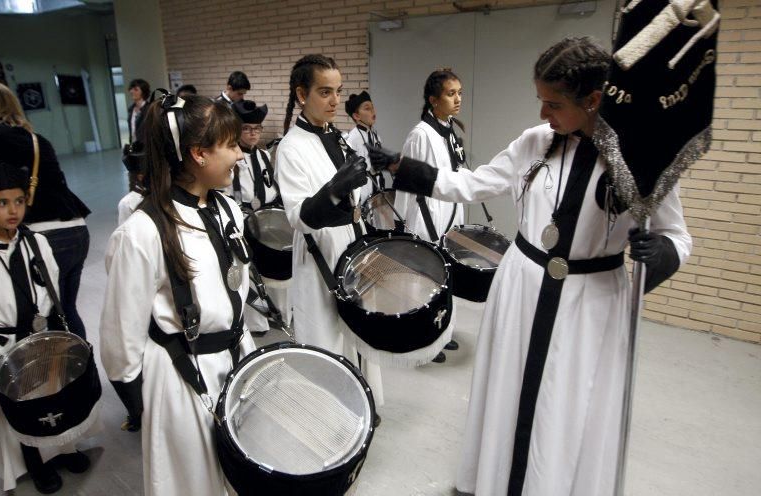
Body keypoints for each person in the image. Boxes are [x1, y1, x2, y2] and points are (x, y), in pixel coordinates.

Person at [368, 36, 692, 495]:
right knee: (509, 392)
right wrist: (406, 168)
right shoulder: (534, 142)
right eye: (540, 101)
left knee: (566, 401)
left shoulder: (641, 159)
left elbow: (678, 234)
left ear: (594, 100)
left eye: (553, 104)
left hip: (590, 300)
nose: (543, 114)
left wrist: (664, 254)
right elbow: (474, 183)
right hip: (522, 284)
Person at [100, 92, 255, 496]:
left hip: (237, 360)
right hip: (183, 377)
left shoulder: (228, 211)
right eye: (231, 145)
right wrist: (144, 402)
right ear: (199, 153)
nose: (240, 155)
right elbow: (121, 334)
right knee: (194, 481)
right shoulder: (142, 231)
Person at [0, 149, 94, 494]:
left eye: (18, 201)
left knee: (54, 397)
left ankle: (63, 448)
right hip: (3, 345)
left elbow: (51, 289)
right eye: (1, 203)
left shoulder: (37, 242)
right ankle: (33, 463)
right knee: (17, 408)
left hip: (43, 339)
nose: (13, 210)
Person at [275, 54, 383, 421]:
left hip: (352, 246)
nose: (336, 101)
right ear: (301, 94)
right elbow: (298, 217)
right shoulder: (291, 147)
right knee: (328, 340)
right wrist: (333, 191)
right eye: (325, 92)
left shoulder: (333, 136)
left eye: (338, 91)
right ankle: (333, 416)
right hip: (320, 254)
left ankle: (361, 402)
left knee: (357, 332)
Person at [0, 81, 92, 338]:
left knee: (36, 318)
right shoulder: (36, 139)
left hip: (37, 234)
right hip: (74, 228)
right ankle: (83, 372)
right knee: (66, 311)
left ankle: (51, 376)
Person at [394, 69, 468, 363]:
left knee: (446, 278)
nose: (458, 99)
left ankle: (443, 332)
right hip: (427, 217)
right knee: (424, 282)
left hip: (449, 213)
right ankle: (424, 341)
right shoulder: (420, 135)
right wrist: (405, 224)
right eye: (451, 94)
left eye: (460, 93)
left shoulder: (450, 130)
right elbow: (406, 181)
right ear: (433, 99)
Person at [231, 99, 289, 337]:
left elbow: (272, 184)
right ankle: (257, 322)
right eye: (247, 128)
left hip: (268, 217)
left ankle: (281, 313)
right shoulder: (233, 157)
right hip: (243, 220)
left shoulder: (264, 155)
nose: (253, 133)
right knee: (251, 272)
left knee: (276, 265)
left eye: (257, 128)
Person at [344, 90, 389, 193]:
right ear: (356, 116)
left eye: (372, 107)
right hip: (364, 189)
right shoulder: (353, 138)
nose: (373, 111)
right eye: (367, 108)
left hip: (378, 184)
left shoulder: (375, 134)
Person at [127, 78, 151, 145]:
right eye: (131, 89)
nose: (132, 91)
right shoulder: (131, 110)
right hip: (135, 146)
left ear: (143, 92)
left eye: (136, 90)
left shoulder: (150, 109)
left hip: (147, 147)